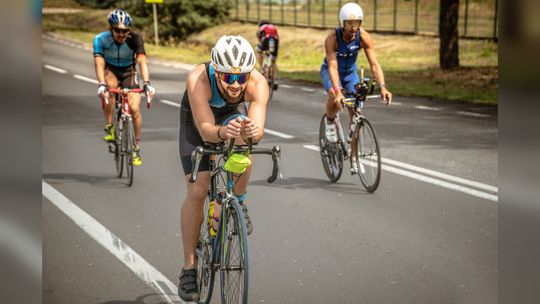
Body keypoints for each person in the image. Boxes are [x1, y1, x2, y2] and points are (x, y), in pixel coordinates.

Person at [177, 35, 269, 301]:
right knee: (197, 190)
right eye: (229, 78)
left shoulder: (257, 83)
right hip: (198, 122)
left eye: (241, 78)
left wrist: (252, 132)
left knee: (243, 139)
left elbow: (258, 131)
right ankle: (189, 269)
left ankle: (237, 200)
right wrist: (220, 132)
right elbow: (206, 131)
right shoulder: (198, 79)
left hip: (230, 116)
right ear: (217, 72)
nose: (236, 85)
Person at [320, 3, 392, 149]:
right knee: (334, 95)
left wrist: (383, 87)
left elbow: (374, 64)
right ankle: (329, 120)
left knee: (356, 111)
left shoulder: (363, 37)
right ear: (343, 23)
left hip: (350, 74)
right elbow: (333, 67)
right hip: (330, 71)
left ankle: (354, 158)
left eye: (357, 23)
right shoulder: (332, 39)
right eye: (350, 23)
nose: (353, 27)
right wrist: (339, 91)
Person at [93, 9, 156, 166]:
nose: (121, 34)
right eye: (117, 30)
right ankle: (109, 127)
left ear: (129, 30)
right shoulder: (100, 39)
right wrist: (101, 84)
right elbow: (99, 63)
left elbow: (142, 62)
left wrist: (147, 83)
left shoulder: (135, 39)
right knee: (110, 88)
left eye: (125, 31)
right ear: (111, 28)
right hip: (111, 71)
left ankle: (136, 147)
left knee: (134, 109)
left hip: (129, 71)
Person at [256, 20, 279, 89]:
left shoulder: (261, 28)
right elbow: (277, 36)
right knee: (273, 61)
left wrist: (263, 49)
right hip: (275, 39)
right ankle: (275, 80)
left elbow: (259, 39)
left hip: (266, 39)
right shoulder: (273, 27)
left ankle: (261, 67)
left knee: (258, 51)